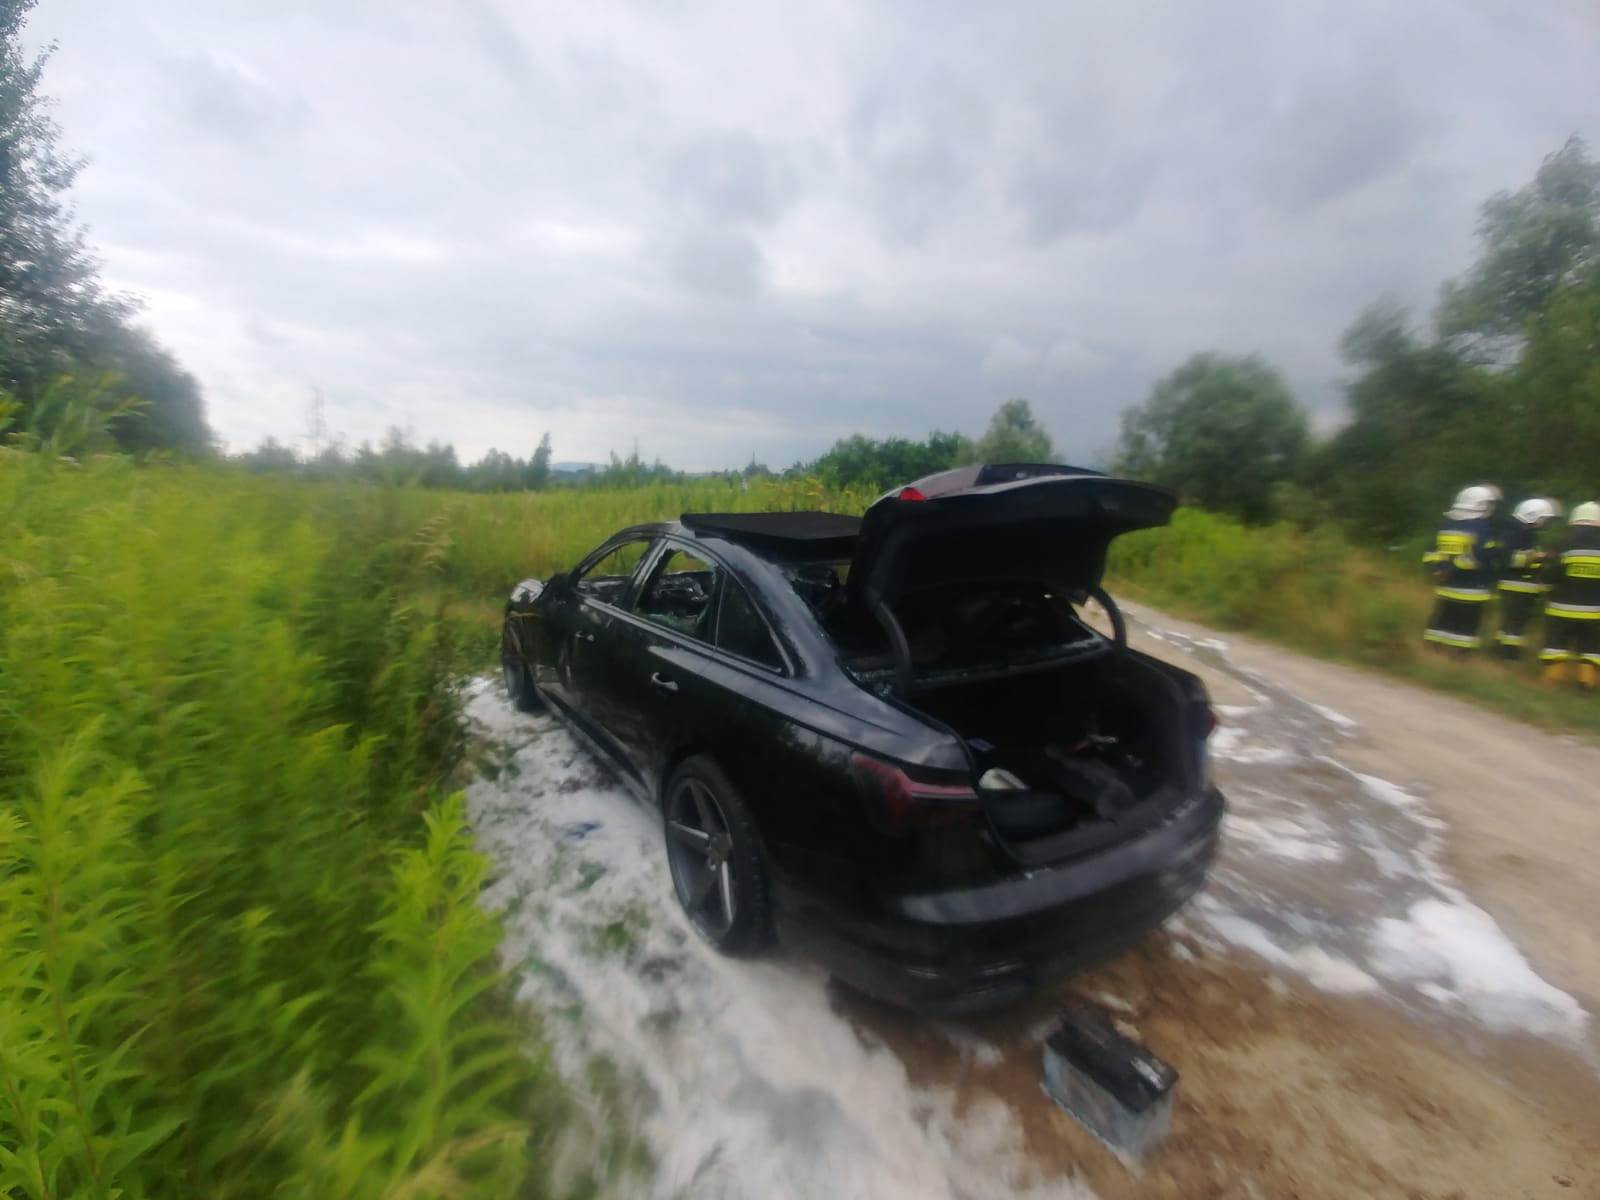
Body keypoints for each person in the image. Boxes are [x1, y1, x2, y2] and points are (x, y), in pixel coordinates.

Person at [1422, 485, 1504, 652]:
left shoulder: (1446, 525)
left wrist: (1438, 569)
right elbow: (1477, 556)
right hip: (1472, 587)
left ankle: (1432, 652)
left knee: (1441, 620)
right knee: (1465, 627)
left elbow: (1432, 552)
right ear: (1481, 505)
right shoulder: (1482, 527)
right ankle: (1458, 657)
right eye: (1490, 504)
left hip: (1446, 586)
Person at [1540, 501, 1600, 689]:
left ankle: (1553, 680)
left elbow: (1550, 575)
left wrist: (1546, 587)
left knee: (1556, 645)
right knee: (1591, 647)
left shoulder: (1562, 544)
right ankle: (1587, 683)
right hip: (1594, 613)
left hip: (1560, 609)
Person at [1495, 497, 1562, 659]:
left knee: (1511, 622)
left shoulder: (1526, 533)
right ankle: (1509, 655)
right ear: (1534, 516)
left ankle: (1498, 651)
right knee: (1515, 622)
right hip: (1516, 586)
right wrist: (1538, 556)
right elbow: (1508, 559)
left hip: (1522, 586)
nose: (1546, 523)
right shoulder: (1516, 534)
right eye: (1545, 519)